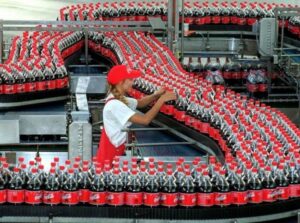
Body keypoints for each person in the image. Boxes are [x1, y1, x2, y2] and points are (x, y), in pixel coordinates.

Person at [97, 65, 177, 166]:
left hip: (116, 151)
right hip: (111, 158)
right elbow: (145, 120)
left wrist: (156, 94)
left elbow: (141, 103)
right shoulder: (115, 104)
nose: (133, 82)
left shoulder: (118, 98)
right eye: (130, 79)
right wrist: (161, 100)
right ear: (121, 82)